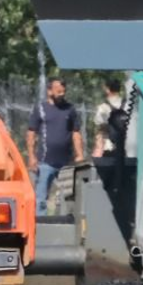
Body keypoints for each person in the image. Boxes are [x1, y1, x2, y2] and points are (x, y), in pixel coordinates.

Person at [26, 76, 84, 210]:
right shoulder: (40, 108)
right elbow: (31, 133)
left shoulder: (70, 109)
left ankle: (67, 225)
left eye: (63, 91)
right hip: (45, 162)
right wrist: (31, 156)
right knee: (40, 199)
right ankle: (40, 226)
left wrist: (79, 155)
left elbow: (75, 132)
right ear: (49, 91)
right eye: (58, 91)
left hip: (66, 163)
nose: (61, 94)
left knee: (69, 198)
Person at [92, 78, 131, 159]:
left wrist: (97, 150)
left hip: (109, 150)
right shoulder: (128, 105)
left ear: (107, 89)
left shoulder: (103, 108)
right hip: (125, 150)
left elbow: (100, 130)